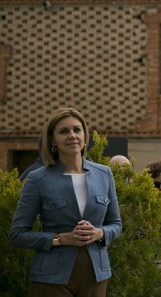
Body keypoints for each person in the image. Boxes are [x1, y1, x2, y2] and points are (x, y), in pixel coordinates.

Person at [9, 107, 122, 296]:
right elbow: (17, 235)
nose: (72, 135)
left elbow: (116, 224)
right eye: (63, 131)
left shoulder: (104, 174)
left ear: (84, 136)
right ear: (52, 140)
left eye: (77, 130)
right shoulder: (38, 179)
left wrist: (99, 233)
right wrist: (60, 239)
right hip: (50, 279)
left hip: (95, 277)